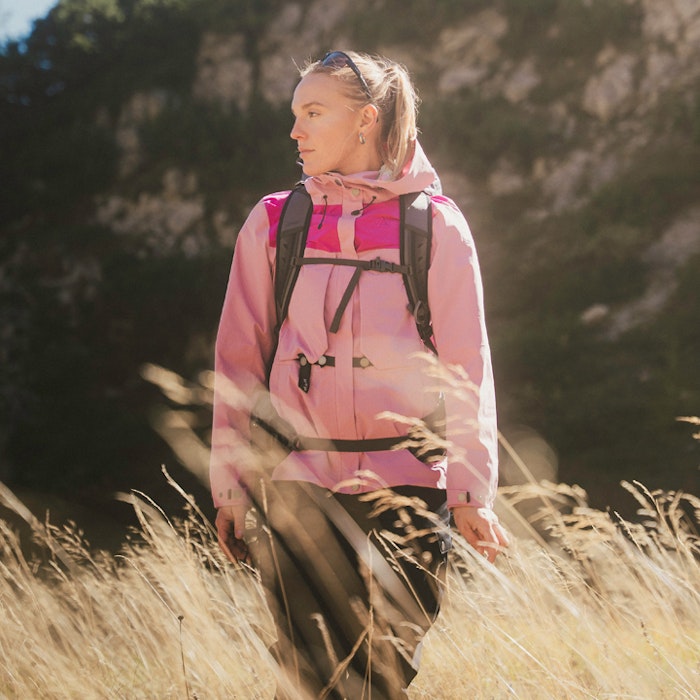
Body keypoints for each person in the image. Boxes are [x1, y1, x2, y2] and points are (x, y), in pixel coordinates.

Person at [210, 50, 509, 699]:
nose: (296, 130)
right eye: (294, 114)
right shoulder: (273, 222)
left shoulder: (436, 226)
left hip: (404, 496)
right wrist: (229, 482)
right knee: (314, 682)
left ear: (365, 121)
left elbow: (468, 366)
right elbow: (236, 362)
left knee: (380, 681)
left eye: (313, 113)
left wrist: (471, 490)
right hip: (294, 493)